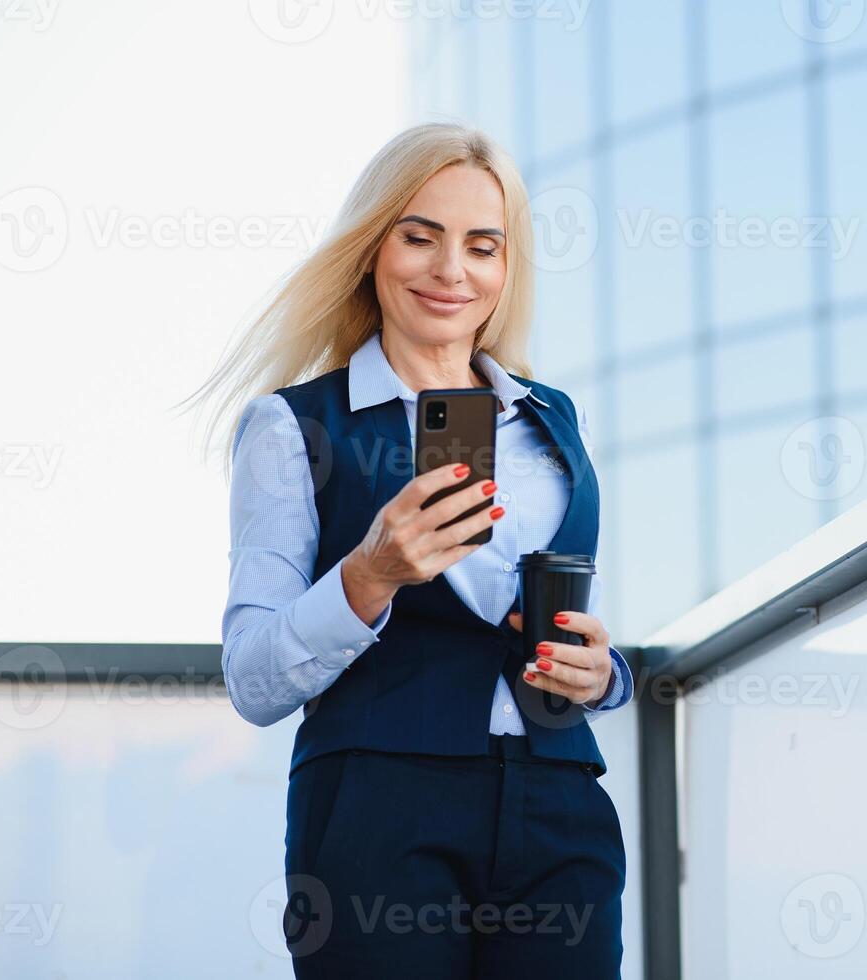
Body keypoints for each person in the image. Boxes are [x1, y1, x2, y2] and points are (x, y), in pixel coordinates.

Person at [188, 122, 633, 978]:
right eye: (418, 236)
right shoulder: (293, 427)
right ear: (370, 249)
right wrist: (370, 575)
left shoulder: (553, 421)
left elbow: (576, 618)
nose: (451, 270)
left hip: (558, 805)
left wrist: (602, 674)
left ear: (508, 271)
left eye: (482, 246)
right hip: (378, 808)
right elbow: (251, 679)